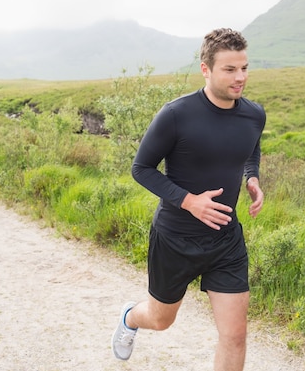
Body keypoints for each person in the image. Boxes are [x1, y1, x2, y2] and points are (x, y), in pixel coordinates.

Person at [111, 28, 266, 371]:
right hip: (175, 238)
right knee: (161, 318)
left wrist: (251, 177)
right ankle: (130, 318)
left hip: (226, 239)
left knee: (235, 335)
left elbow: (251, 146)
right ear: (206, 69)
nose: (240, 77)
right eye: (230, 69)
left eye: (244, 68)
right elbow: (142, 169)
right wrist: (188, 201)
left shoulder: (254, 114)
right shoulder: (177, 114)